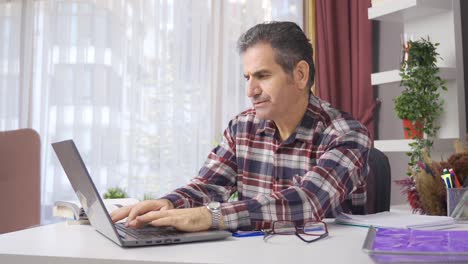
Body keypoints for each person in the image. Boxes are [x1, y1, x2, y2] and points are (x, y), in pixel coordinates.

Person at [111, 21, 371, 232]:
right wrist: (168, 203)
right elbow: (209, 186)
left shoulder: (347, 134)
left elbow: (308, 203)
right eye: (247, 78)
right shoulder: (242, 127)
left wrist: (211, 216)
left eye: (263, 76)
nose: (250, 91)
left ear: (300, 75)